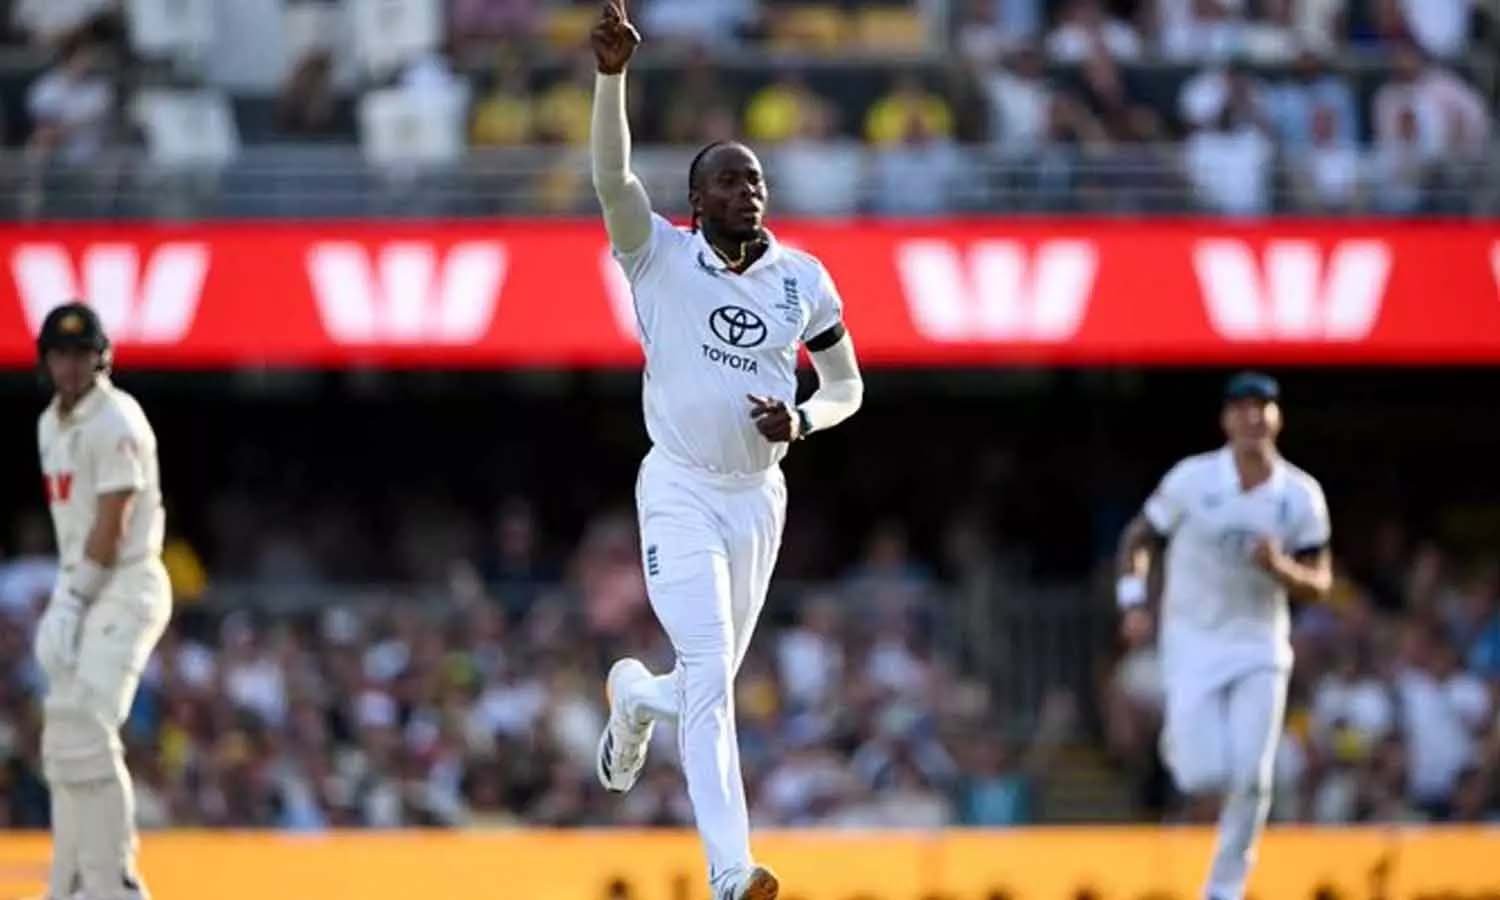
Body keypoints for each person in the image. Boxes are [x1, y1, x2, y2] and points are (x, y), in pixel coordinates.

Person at [587, 3, 865, 898]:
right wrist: (611, 78)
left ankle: (635, 697)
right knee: (712, 680)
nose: (750, 191)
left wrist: (806, 421)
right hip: (679, 488)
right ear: (696, 199)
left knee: (701, 685)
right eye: (731, 181)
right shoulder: (657, 256)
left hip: (758, 498)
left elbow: (848, 385)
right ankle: (731, 871)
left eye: (758, 180)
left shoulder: (802, 279)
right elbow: (610, 177)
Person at [1115, 372, 1332, 900]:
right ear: (1225, 419)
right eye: (1241, 407)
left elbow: (1320, 583)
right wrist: (1132, 601)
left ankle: (1225, 888)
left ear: (1278, 418)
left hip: (1260, 643)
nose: (1252, 417)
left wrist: (1280, 568)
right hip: (1193, 640)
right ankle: (1179, 740)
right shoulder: (1192, 480)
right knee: (1202, 774)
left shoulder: (1299, 495)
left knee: (1254, 777)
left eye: (1263, 406)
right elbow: (1139, 537)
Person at [32, 301, 172, 900]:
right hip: (84, 585)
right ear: (46, 360)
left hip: (126, 584)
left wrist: (72, 599)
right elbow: (75, 525)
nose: (70, 366)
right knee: (61, 738)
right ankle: (71, 882)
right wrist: (68, 595)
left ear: (101, 358)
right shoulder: (50, 424)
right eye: (60, 354)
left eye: (81, 354)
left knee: (87, 724)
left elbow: (114, 519)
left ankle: (116, 882)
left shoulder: (116, 418)